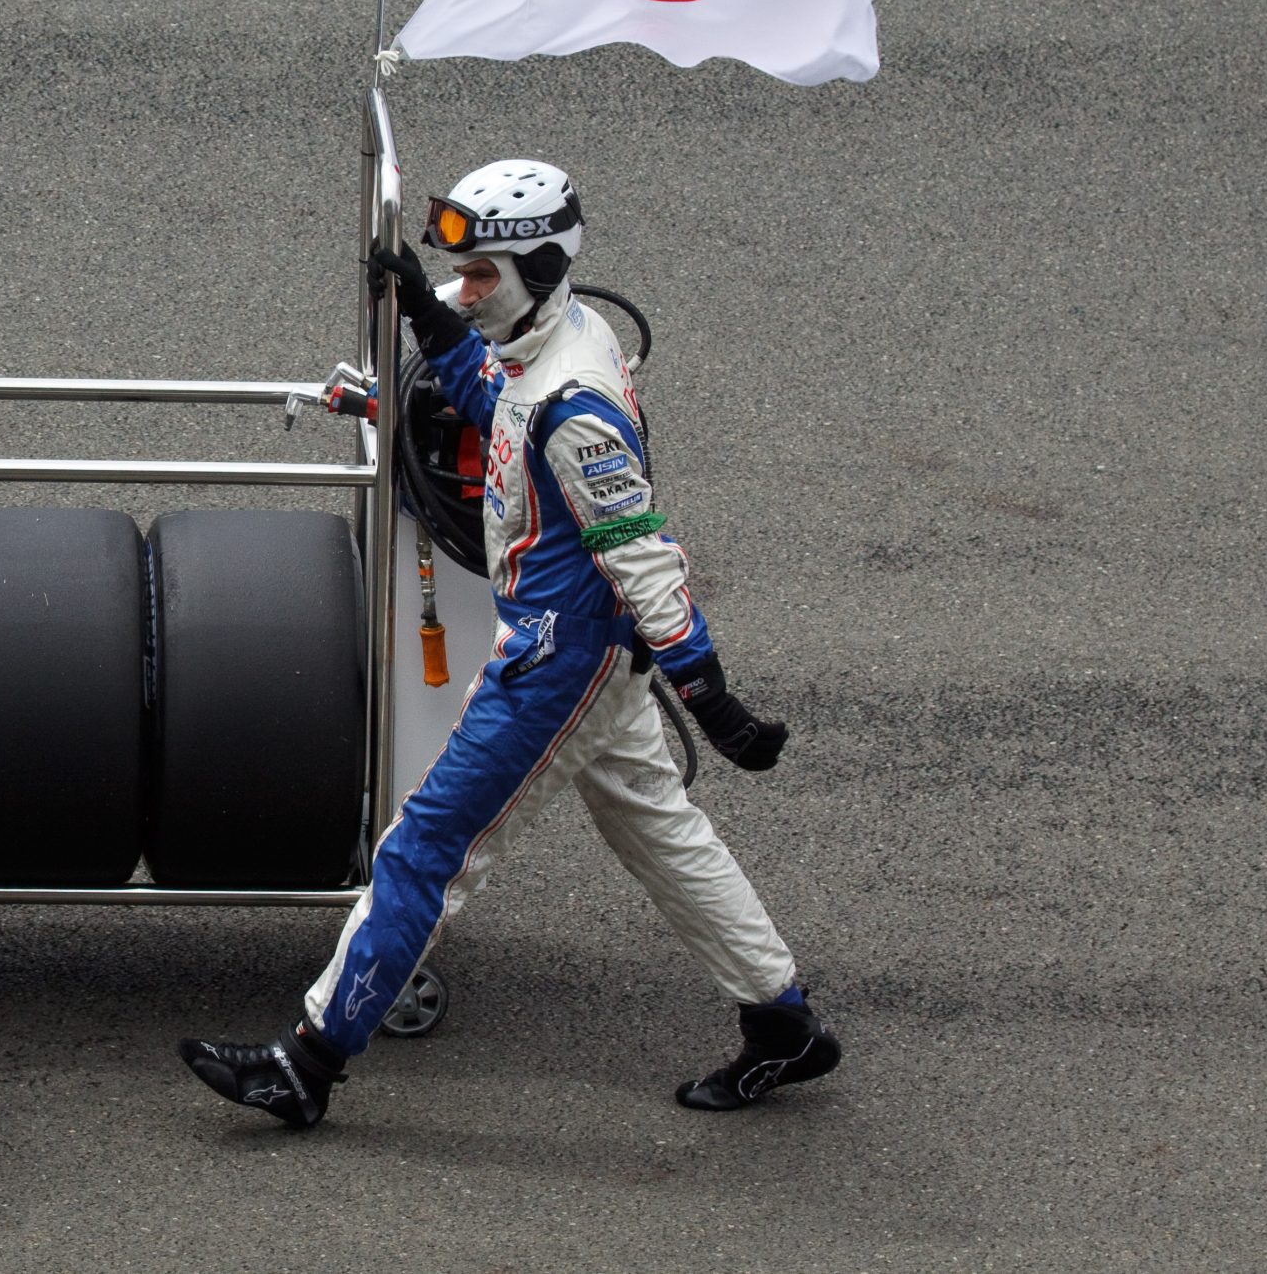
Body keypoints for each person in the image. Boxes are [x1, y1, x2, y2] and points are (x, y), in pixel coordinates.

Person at [179, 159, 839, 1127]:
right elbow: (498, 410)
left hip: (556, 664)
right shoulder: (560, 338)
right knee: (658, 831)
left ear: (536, 265)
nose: (464, 288)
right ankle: (785, 1026)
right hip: (582, 656)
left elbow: (639, 548)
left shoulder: (578, 407)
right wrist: (429, 320)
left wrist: (709, 693)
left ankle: (308, 1063)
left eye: (480, 276)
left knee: (423, 851)